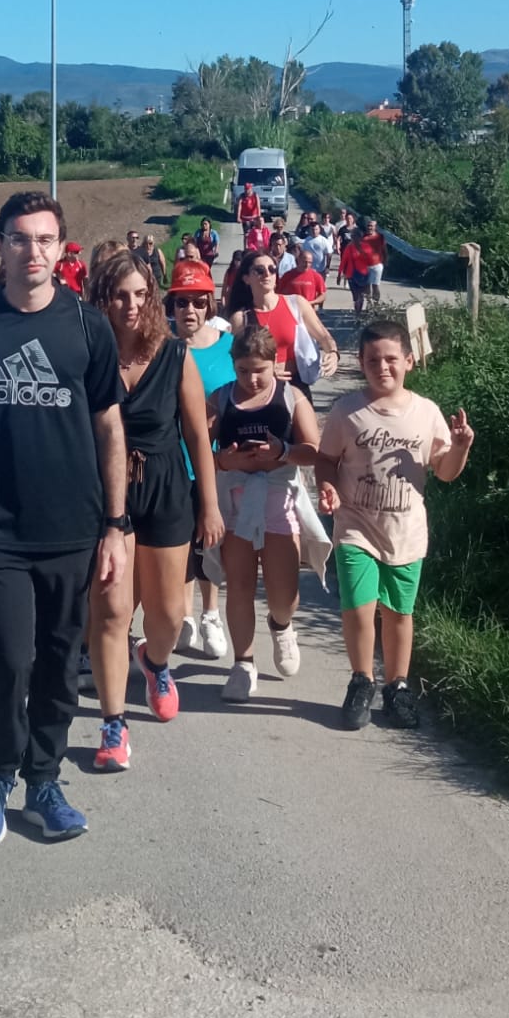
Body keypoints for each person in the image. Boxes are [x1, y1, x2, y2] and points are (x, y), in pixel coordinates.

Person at [0, 190, 128, 846]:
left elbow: (109, 428)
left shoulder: (88, 327)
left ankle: (44, 781)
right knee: (10, 658)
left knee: (59, 660)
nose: (32, 251)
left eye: (44, 239)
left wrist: (116, 526)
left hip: (73, 526)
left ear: (60, 248)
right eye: (20, 238)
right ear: (0, 245)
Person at [84, 251, 223, 770]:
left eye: (141, 295)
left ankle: (154, 661)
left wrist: (209, 505)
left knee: (167, 616)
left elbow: (197, 435)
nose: (131, 305)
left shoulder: (175, 355)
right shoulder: (88, 354)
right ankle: (113, 723)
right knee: (111, 611)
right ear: (102, 299)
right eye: (120, 295)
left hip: (165, 487)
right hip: (107, 495)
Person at [316, 318, 474, 729]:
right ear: (361, 363)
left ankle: (397, 687)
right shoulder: (347, 411)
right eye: (372, 360)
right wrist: (327, 487)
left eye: (390, 359)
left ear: (409, 361)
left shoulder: (426, 413)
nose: (382, 367)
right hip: (356, 527)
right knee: (359, 607)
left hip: (405, 532)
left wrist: (459, 447)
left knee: (399, 613)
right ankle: (361, 681)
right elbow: (325, 460)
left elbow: (445, 472)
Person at [206, 329, 320, 701]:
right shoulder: (220, 399)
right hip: (235, 501)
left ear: (275, 363)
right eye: (243, 370)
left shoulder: (291, 397)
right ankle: (243, 664)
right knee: (238, 584)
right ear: (233, 366)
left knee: (283, 593)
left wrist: (283, 451)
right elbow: (198, 450)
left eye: (260, 370)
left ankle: (281, 624)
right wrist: (224, 460)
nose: (252, 379)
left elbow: (313, 451)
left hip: (278, 498)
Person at [165, 257, 233, 660]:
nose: (189, 310)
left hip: (216, 464)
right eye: (181, 302)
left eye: (198, 302)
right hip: (172, 464)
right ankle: (186, 615)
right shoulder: (163, 349)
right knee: (181, 544)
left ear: (210, 304)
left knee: (211, 543)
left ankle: (211, 613)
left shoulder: (229, 347)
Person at [226, 248, 340, 388]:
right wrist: (265, 372)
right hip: (259, 388)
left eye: (272, 269)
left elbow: (323, 336)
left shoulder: (297, 304)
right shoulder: (241, 318)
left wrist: (333, 353)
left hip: (296, 384)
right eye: (259, 270)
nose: (267, 274)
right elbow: (232, 361)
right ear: (246, 278)